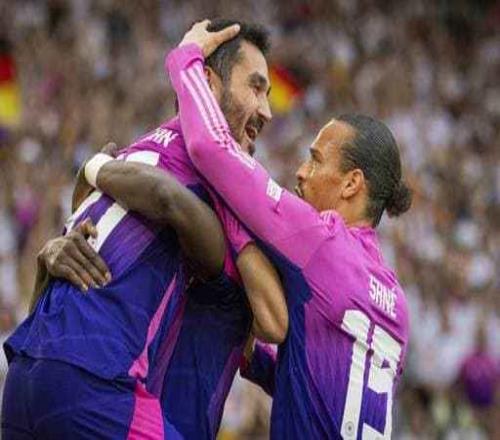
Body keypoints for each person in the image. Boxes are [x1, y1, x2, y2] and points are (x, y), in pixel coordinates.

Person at [2, 20, 287, 439]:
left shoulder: (134, 155)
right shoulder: (214, 173)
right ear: (206, 83)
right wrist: (92, 169)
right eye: (256, 88)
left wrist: (92, 170)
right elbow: (271, 321)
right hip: (98, 383)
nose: (266, 111)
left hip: (25, 375)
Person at [161, 21, 412, 438]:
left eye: (316, 160)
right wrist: (251, 354)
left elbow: (210, 148)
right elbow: (320, 389)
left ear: (351, 184)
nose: (300, 171)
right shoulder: (397, 305)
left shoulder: (324, 242)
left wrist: (184, 58)